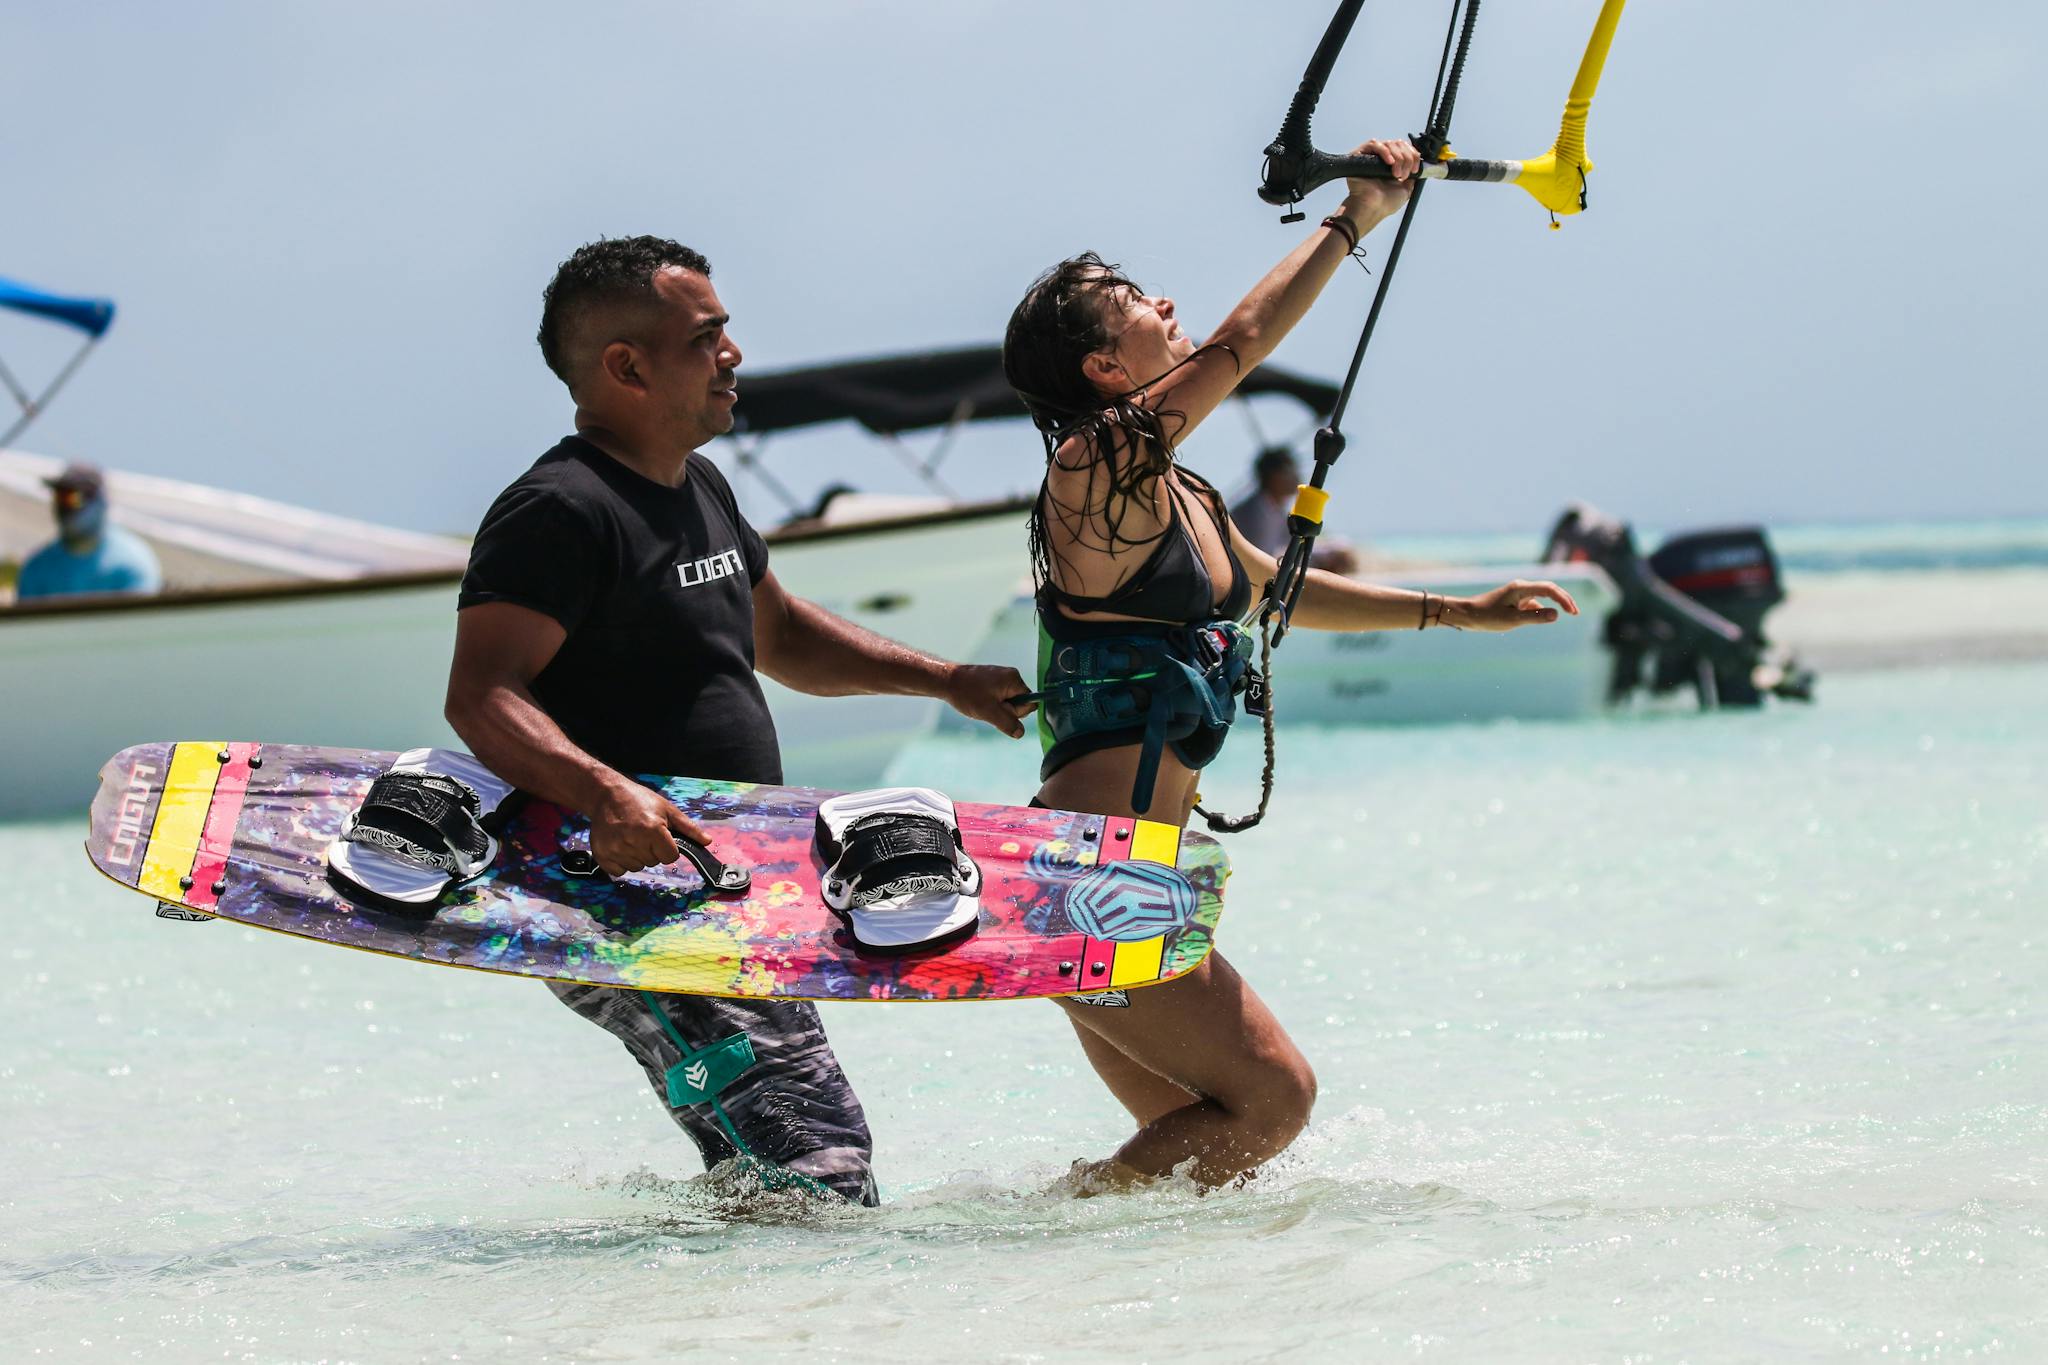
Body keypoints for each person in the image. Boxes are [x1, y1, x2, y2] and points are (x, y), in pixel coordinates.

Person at [1002, 139, 1579, 1190]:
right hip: (1090, 878)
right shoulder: (1091, 469)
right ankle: (1019, 1250)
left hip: (1131, 876)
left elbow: (1282, 592)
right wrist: (1353, 217)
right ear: (1100, 367)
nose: (1160, 301)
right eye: (1131, 299)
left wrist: (1459, 612)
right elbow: (1240, 338)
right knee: (1273, 1101)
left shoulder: (1179, 496)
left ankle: (1076, 1296)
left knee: (1207, 1166)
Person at [444, 236, 1031, 1206]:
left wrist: (946, 680)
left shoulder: (697, 486)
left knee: (769, 1164)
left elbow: (784, 636)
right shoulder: (559, 510)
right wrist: (603, 793)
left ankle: (702, 1319)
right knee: (816, 1157)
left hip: (728, 887)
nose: (734, 355)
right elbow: (482, 694)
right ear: (625, 367)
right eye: (706, 336)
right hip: (622, 896)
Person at [15, 463, 162, 600]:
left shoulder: (131, 564)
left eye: (74, 498)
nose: (65, 508)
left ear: (101, 502)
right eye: (60, 497)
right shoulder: (36, 568)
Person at [1228, 447, 1359, 575]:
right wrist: (1322, 558)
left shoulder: (1272, 507)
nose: (1296, 474)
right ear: (1273, 476)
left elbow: (1291, 545)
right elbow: (1263, 561)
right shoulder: (1255, 512)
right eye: (1289, 470)